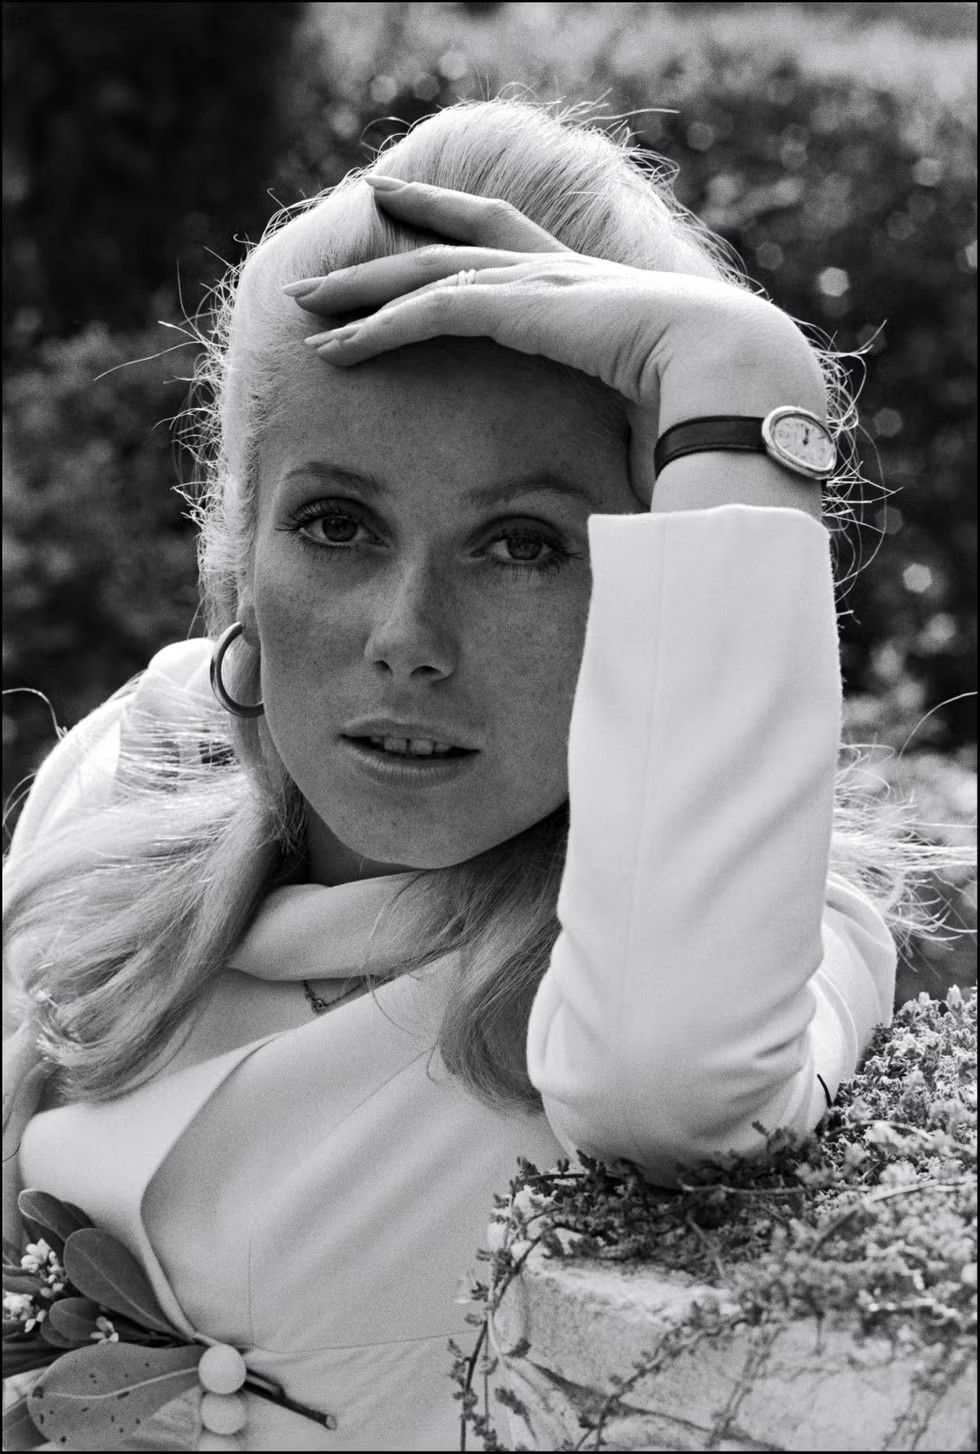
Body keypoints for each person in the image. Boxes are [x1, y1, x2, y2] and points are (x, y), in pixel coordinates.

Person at [1, 96, 945, 1451]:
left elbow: (665, 1092)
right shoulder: (127, 775)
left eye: (523, 545)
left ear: (648, 581)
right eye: (337, 523)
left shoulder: (761, 939)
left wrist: (748, 385)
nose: (408, 637)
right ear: (239, 552)